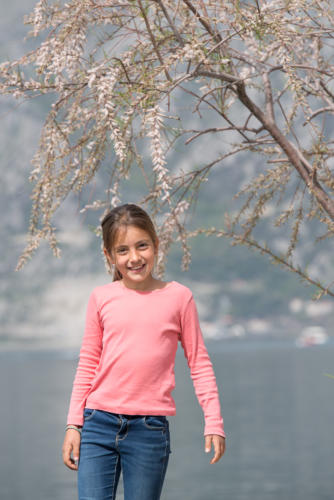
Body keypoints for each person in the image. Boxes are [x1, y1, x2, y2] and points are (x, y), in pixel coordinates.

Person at [62, 203, 226, 500]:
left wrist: (213, 421)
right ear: (109, 256)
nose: (134, 257)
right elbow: (87, 364)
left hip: (149, 430)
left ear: (156, 245)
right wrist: (74, 424)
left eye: (142, 246)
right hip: (97, 425)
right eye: (122, 250)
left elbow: (199, 363)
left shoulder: (179, 297)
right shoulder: (101, 298)